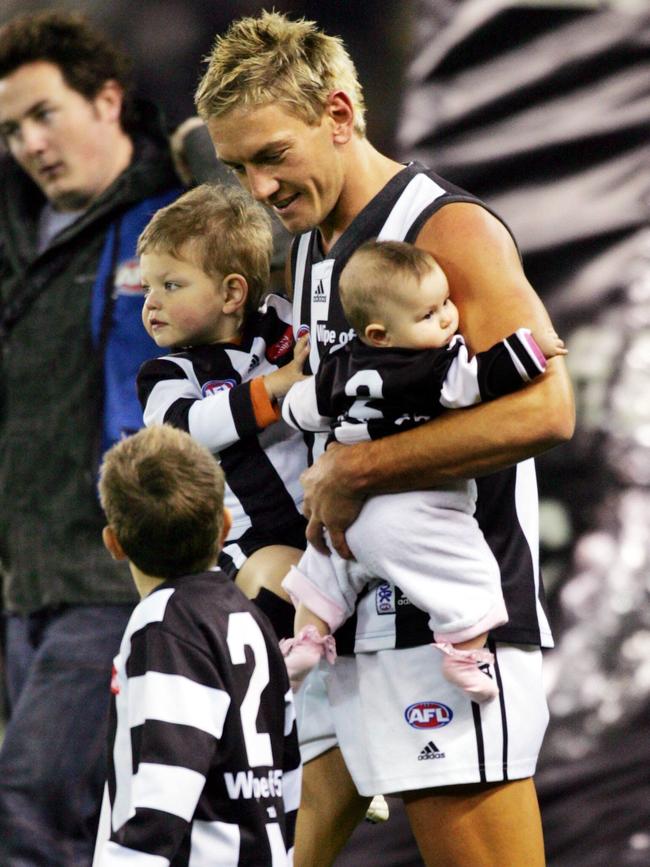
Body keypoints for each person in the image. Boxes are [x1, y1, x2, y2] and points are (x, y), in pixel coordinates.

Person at [194, 10, 574, 867]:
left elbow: (547, 410)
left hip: (453, 631)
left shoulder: (445, 227)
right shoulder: (312, 250)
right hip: (355, 623)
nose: (257, 187)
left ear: (339, 113)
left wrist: (360, 467)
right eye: (237, 167)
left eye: (271, 155)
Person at [0, 11, 182, 865]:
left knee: (30, 815)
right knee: (78, 829)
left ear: (108, 99)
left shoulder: (179, 218)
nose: (30, 143)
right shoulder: (17, 236)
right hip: (25, 584)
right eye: (10, 130)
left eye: (44, 114)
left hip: (118, 576)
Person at [279, 239, 567, 703]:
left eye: (445, 303)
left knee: (318, 583)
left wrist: (283, 400)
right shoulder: (432, 366)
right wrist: (532, 350)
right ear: (379, 334)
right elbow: (481, 378)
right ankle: (465, 655)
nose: (448, 318)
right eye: (428, 315)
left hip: (344, 522)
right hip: (411, 507)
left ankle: (306, 643)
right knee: (472, 580)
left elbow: (301, 408)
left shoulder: (339, 367)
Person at [92, 423, 301, 866]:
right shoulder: (250, 616)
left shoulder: (164, 624)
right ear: (225, 525)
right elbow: (290, 770)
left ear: (113, 543)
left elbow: (164, 789)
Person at [135, 182, 310, 641]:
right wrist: (272, 387)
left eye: (171, 285)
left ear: (233, 294)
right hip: (244, 542)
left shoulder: (284, 325)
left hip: (324, 521)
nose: (151, 303)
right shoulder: (165, 374)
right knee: (289, 582)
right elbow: (184, 430)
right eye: (147, 286)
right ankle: (269, 685)